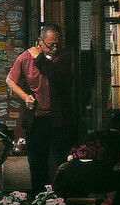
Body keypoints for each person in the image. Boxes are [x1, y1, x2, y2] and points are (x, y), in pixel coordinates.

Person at [6, 23, 80, 194]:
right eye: (50, 44)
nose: (54, 48)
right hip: (36, 119)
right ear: (40, 41)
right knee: (37, 162)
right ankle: (40, 201)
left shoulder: (64, 57)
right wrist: (25, 97)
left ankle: (65, 199)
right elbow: (10, 80)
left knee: (63, 160)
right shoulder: (25, 58)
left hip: (59, 119)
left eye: (57, 44)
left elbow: (58, 77)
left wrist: (39, 59)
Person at [53, 112, 120, 205]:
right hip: (96, 175)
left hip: (71, 172)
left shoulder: (93, 135)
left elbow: (70, 156)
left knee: (83, 177)